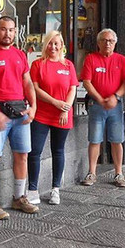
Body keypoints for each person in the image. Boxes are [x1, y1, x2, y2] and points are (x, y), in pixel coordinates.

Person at [0, 16, 38, 219]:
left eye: (11, 30)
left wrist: (33, 107)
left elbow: (28, 82)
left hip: (21, 112)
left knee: (22, 155)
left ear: (16, 32)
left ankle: (19, 196)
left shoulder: (20, 55)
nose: (8, 34)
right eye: (3, 30)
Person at [28, 31, 78, 205]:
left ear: (62, 45)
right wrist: (55, 102)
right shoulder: (37, 64)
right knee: (35, 151)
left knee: (58, 151)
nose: (53, 47)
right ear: (45, 45)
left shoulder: (68, 66)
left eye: (57, 43)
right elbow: (35, 89)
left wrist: (65, 108)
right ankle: (33, 190)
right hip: (42, 114)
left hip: (62, 115)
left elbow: (72, 88)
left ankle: (55, 189)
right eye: (50, 43)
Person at [80, 28, 125, 187]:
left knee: (117, 140)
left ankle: (119, 173)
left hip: (115, 106)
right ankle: (92, 173)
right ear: (98, 42)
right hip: (96, 105)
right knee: (94, 139)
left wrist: (116, 97)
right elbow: (86, 82)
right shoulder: (91, 59)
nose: (107, 43)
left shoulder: (121, 60)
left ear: (115, 43)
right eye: (104, 40)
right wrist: (100, 99)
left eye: (110, 41)